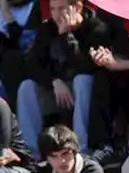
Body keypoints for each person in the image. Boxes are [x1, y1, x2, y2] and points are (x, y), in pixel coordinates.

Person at [16, 0, 111, 157]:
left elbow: (86, 66)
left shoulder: (96, 28)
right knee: (27, 87)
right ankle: (30, 154)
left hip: (85, 95)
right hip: (56, 92)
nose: (57, 14)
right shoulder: (48, 29)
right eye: (53, 9)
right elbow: (32, 65)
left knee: (82, 80)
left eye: (62, 9)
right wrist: (54, 81)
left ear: (78, 7)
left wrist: (66, 36)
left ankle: (82, 149)